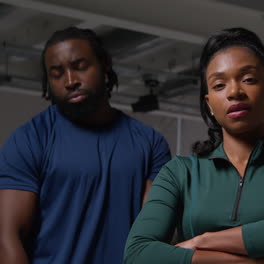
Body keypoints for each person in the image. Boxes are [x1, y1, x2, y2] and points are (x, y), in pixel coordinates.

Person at [124, 27, 264, 264]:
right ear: (209, 104)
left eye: (248, 79)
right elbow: (137, 255)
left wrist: (201, 241)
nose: (235, 91)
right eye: (219, 85)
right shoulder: (180, 173)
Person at [0, 27, 171, 264]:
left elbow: (154, 236)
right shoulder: (29, 140)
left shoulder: (150, 144)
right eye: (57, 74)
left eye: (80, 66)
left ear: (104, 64)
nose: (70, 81)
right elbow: (7, 238)